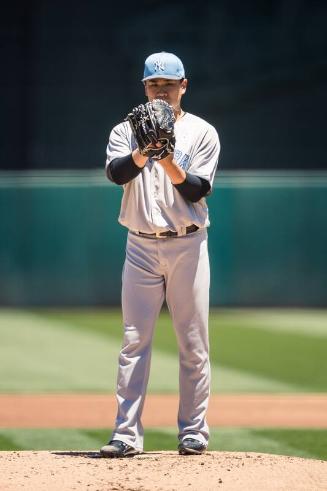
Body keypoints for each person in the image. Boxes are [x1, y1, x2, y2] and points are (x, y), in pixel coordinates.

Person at [100, 51, 220, 458]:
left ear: (183, 86)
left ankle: (193, 432)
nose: (162, 90)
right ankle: (126, 435)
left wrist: (165, 158)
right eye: (154, 84)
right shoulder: (125, 131)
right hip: (140, 246)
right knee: (133, 341)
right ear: (145, 88)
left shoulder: (202, 132)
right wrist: (143, 150)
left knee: (193, 341)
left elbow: (197, 189)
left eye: (169, 84)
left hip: (187, 243)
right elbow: (117, 174)